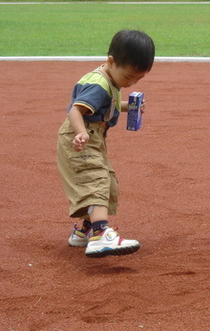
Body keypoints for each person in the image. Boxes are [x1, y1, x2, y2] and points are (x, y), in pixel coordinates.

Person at [57, 30, 155, 258]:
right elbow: (76, 110)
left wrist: (128, 107)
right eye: (129, 77)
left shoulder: (110, 79)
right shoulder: (98, 84)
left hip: (93, 136)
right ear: (111, 61)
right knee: (96, 179)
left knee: (106, 181)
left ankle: (84, 230)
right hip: (81, 136)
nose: (132, 83)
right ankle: (100, 234)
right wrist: (81, 133)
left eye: (138, 79)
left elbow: (106, 104)